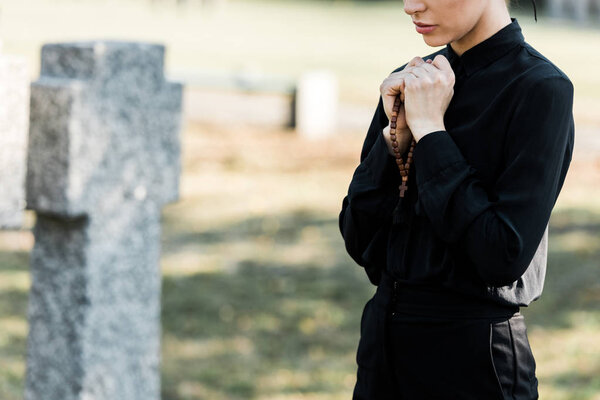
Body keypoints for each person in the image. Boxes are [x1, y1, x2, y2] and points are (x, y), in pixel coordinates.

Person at [338, 0, 575, 398]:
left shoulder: (539, 88)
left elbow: (501, 254)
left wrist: (431, 132)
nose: (410, 5)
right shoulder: (412, 81)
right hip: (381, 354)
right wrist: (392, 142)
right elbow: (359, 240)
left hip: (473, 364)